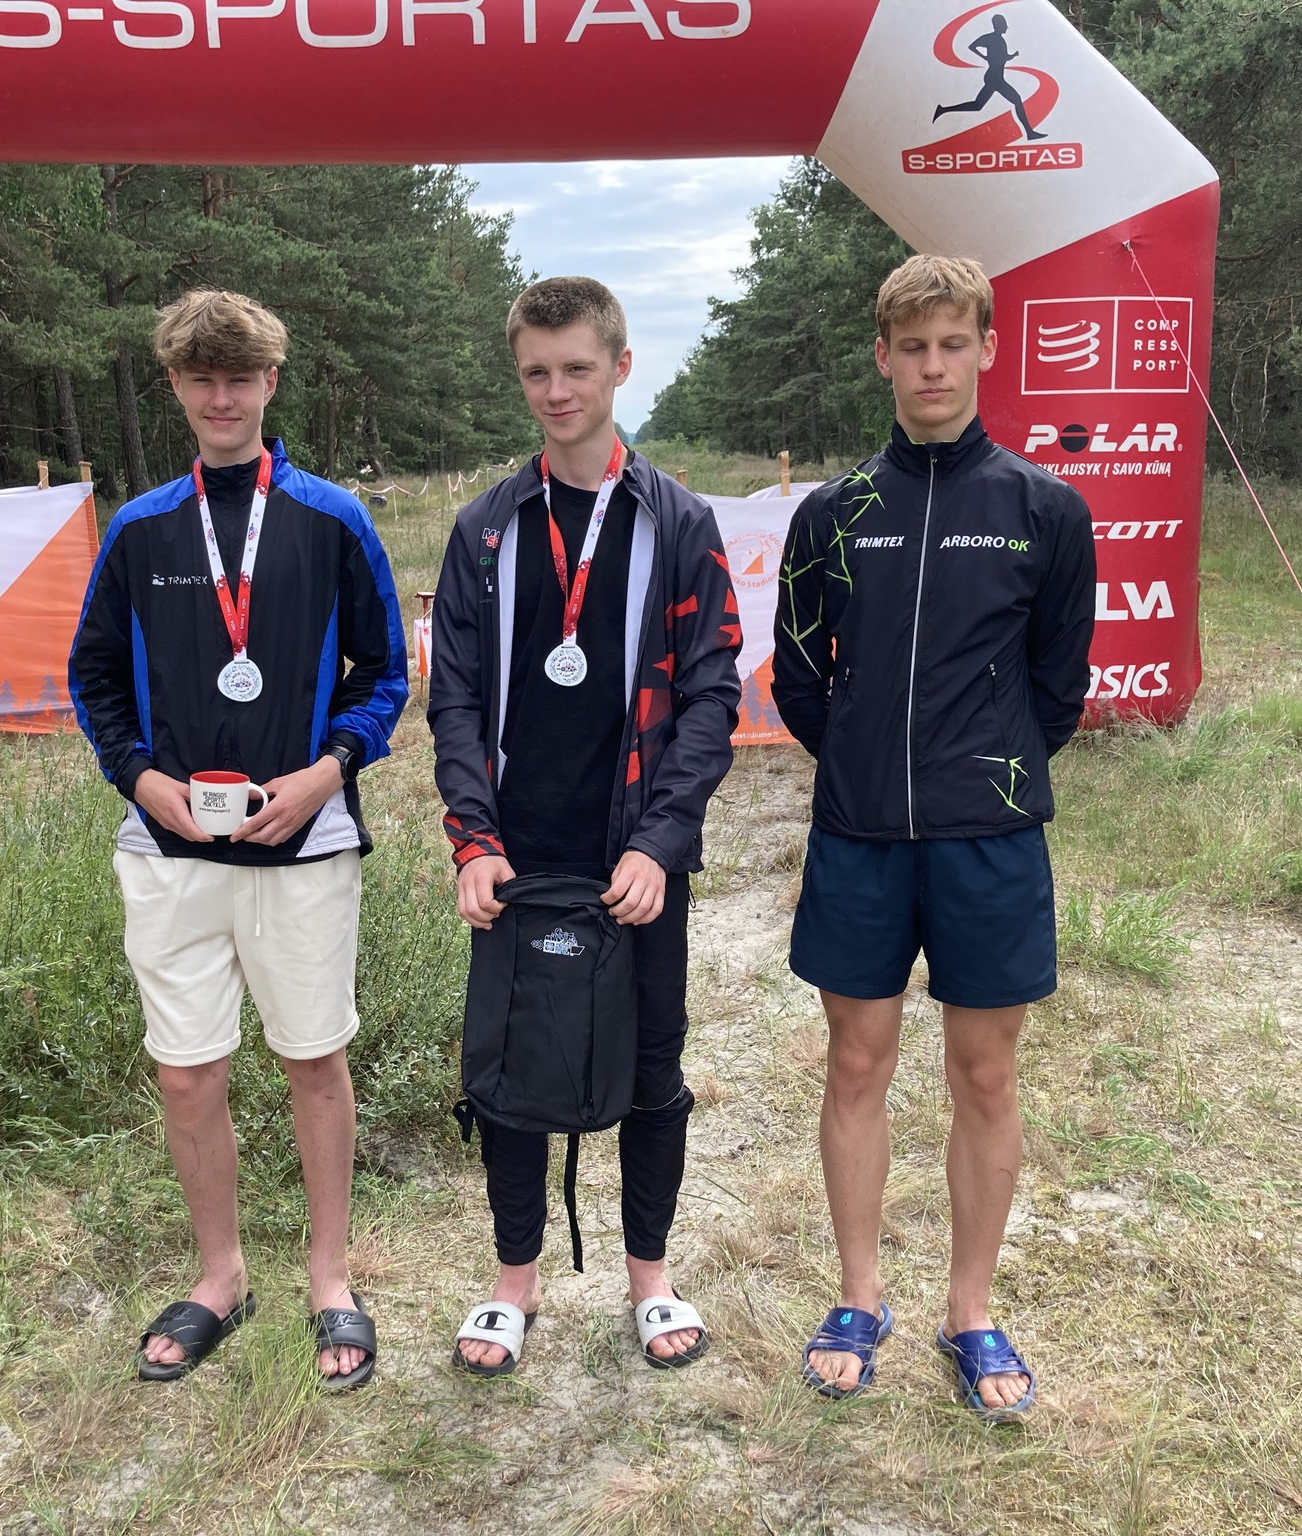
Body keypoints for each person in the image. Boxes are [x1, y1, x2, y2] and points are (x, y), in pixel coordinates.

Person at [773, 254, 1094, 1418]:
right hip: (859, 836)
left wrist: (979, 772)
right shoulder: (831, 513)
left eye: (952, 343)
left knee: (984, 1073)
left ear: (985, 350)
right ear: (881, 357)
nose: (931, 366)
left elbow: (1055, 687)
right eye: (911, 346)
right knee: (856, 1063)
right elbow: (798, 677)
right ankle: (858, 1296)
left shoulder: (1042, 510)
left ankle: (970, 1310)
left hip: (987, 843)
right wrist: (868, 760)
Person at [69, 289, 409, 1389]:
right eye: (202, 380)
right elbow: (92, 676)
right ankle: (220, 1275)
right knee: (186, 1076)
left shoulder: (332, 518)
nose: (222, 399)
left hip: (302, 844)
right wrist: (140, 779)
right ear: (175, 386)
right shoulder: (139, 528)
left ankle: (328, 1274)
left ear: (270, 382)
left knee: (314, 1060)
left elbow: (385, 673)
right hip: (169, 850)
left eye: (240, 378)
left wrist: (327, 772)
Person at [429, 277, 742, 1376]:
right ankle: (512, 1281)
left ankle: (648, 1277)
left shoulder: (679, 521)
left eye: (576, 367)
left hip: (634, 851)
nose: (556, 390)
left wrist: (661, 839)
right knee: (512, 1067)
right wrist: (473, 838)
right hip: (516, 853)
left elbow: (711, 694)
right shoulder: (484, 529)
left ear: (619, 366)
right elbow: (454, 699)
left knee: (654, 1063)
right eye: (536, 372)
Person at [932, 14, 1047, 142]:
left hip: (995, 77)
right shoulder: (991, 38)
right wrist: (984, 57)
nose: (1006, 28)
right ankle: (1029, 133)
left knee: (978, 105)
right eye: (1004, 25)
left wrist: (1013, 56)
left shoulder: (1000, 40)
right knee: (1016, 99)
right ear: (998, 25)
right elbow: (972, 46)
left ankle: (943, 110)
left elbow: (1003, 58)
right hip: (994, 78)